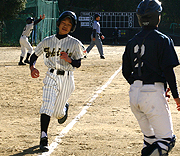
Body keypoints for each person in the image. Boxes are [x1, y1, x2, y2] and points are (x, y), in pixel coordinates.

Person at [122, 0, 180, 155]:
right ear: (158, 17)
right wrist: (176, 97)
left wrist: (137, 85)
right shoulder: (163, 40)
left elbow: (126, 72)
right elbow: (168, 71)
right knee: (167, 141)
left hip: (134, 95)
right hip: (153, 94)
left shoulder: (131, 41)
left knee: (150, 140)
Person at [29, 11, 85, 152]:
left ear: (72, 28)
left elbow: (78, 63)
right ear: (58, 24)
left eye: (69, 25)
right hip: (51, 76)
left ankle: (64, 107)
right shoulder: (47, 41)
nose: (65, 26)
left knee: (58, 114)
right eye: (63, 23)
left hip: (67, 79)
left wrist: (69, 60)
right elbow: (34, 56)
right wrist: (32, 68)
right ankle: (43, 137)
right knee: (47, 106)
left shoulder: (74, 43)